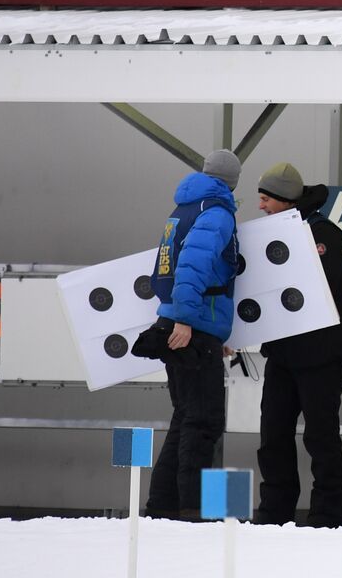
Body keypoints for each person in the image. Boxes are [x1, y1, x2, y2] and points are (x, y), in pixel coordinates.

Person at [253, 162, 342, 528]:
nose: (261, 206)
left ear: (284, 199)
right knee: (273, 435)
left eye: (266, 199)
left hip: (321, 356)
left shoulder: (325, 234)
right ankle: (274, 512)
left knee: (320, 436)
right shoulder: (268, 235)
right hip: (282, 354)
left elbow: (326, 287)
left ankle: (326, 515)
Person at [144, 148, 240, 521]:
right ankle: (193, 511)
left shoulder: (184, 208)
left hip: (185, 323)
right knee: (204, 421)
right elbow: (193, 267)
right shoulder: (216, 214)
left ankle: (163, 504)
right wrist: (188, 321)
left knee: (185, 416)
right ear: (232, 182)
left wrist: (212, 331)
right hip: (191, 326)